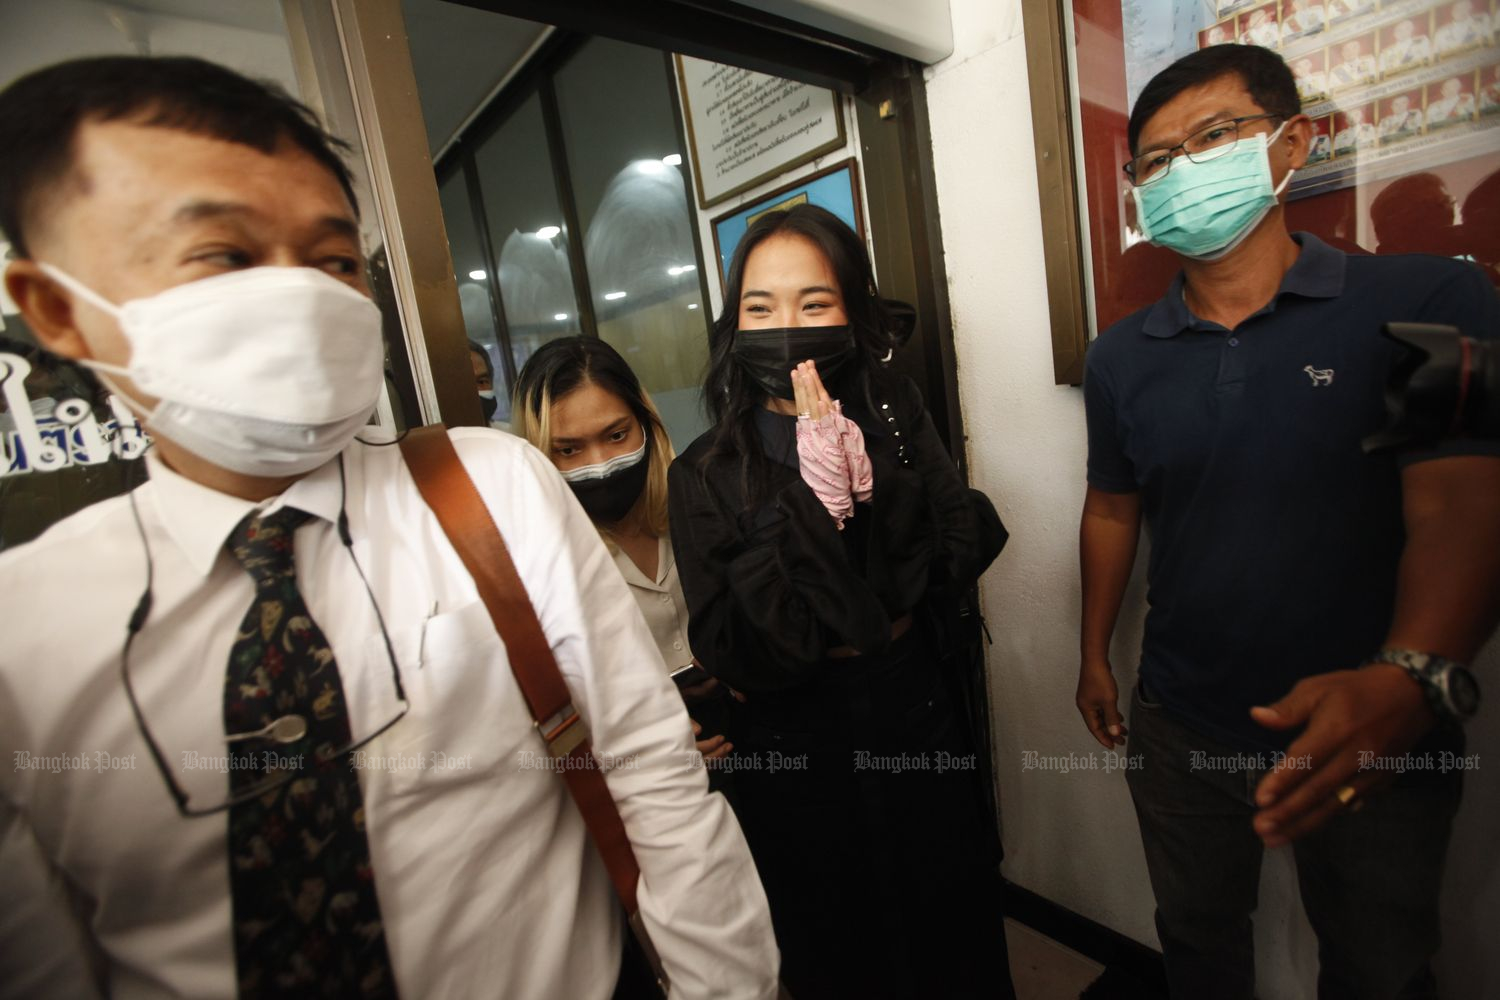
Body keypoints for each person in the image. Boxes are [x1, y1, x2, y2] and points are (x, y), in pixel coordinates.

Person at [0, 55, 779, 999]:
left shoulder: (487, 489)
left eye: (332, 261)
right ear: (56, 310)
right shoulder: (23, 634)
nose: (300, 298)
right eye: (223, 256)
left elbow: (652, 779)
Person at [1083, 44, 1500, 999]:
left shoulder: (1435, 301)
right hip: (1183, 720)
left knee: (1380, 967)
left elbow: (1466, 495)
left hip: (1372, 718)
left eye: (1216, 136)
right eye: (1155, 161)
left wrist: (1414, 674)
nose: (1183, 170)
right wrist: (1093, 655)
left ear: (1291, 144)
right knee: (1196, 942)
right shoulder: (1119, 359)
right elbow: (1112, 506)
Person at [667, 204, 1013, 999]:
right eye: (761, 308)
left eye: (813, 303)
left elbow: (957, 548)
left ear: (851, 312)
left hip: (913, 705)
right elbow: (739, 648)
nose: (786, 325)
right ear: (735, 324)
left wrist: (871, 480)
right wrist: (810, 516)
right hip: (793, 743)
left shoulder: (894, 416)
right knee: (838, 947)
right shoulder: (705, 471)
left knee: (954, 928)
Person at [513, 335, 737, 788]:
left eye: (617, 435)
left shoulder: (701, 508)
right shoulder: (535, 563)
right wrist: (638, 752)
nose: (601, 465)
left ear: (646, 424)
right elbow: (539, 726)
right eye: (568, 450)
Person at [467, 337, 506, 429]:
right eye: (465, 384)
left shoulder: (512, 437)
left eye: (481, 382)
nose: (475, 390)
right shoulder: (439, 442)